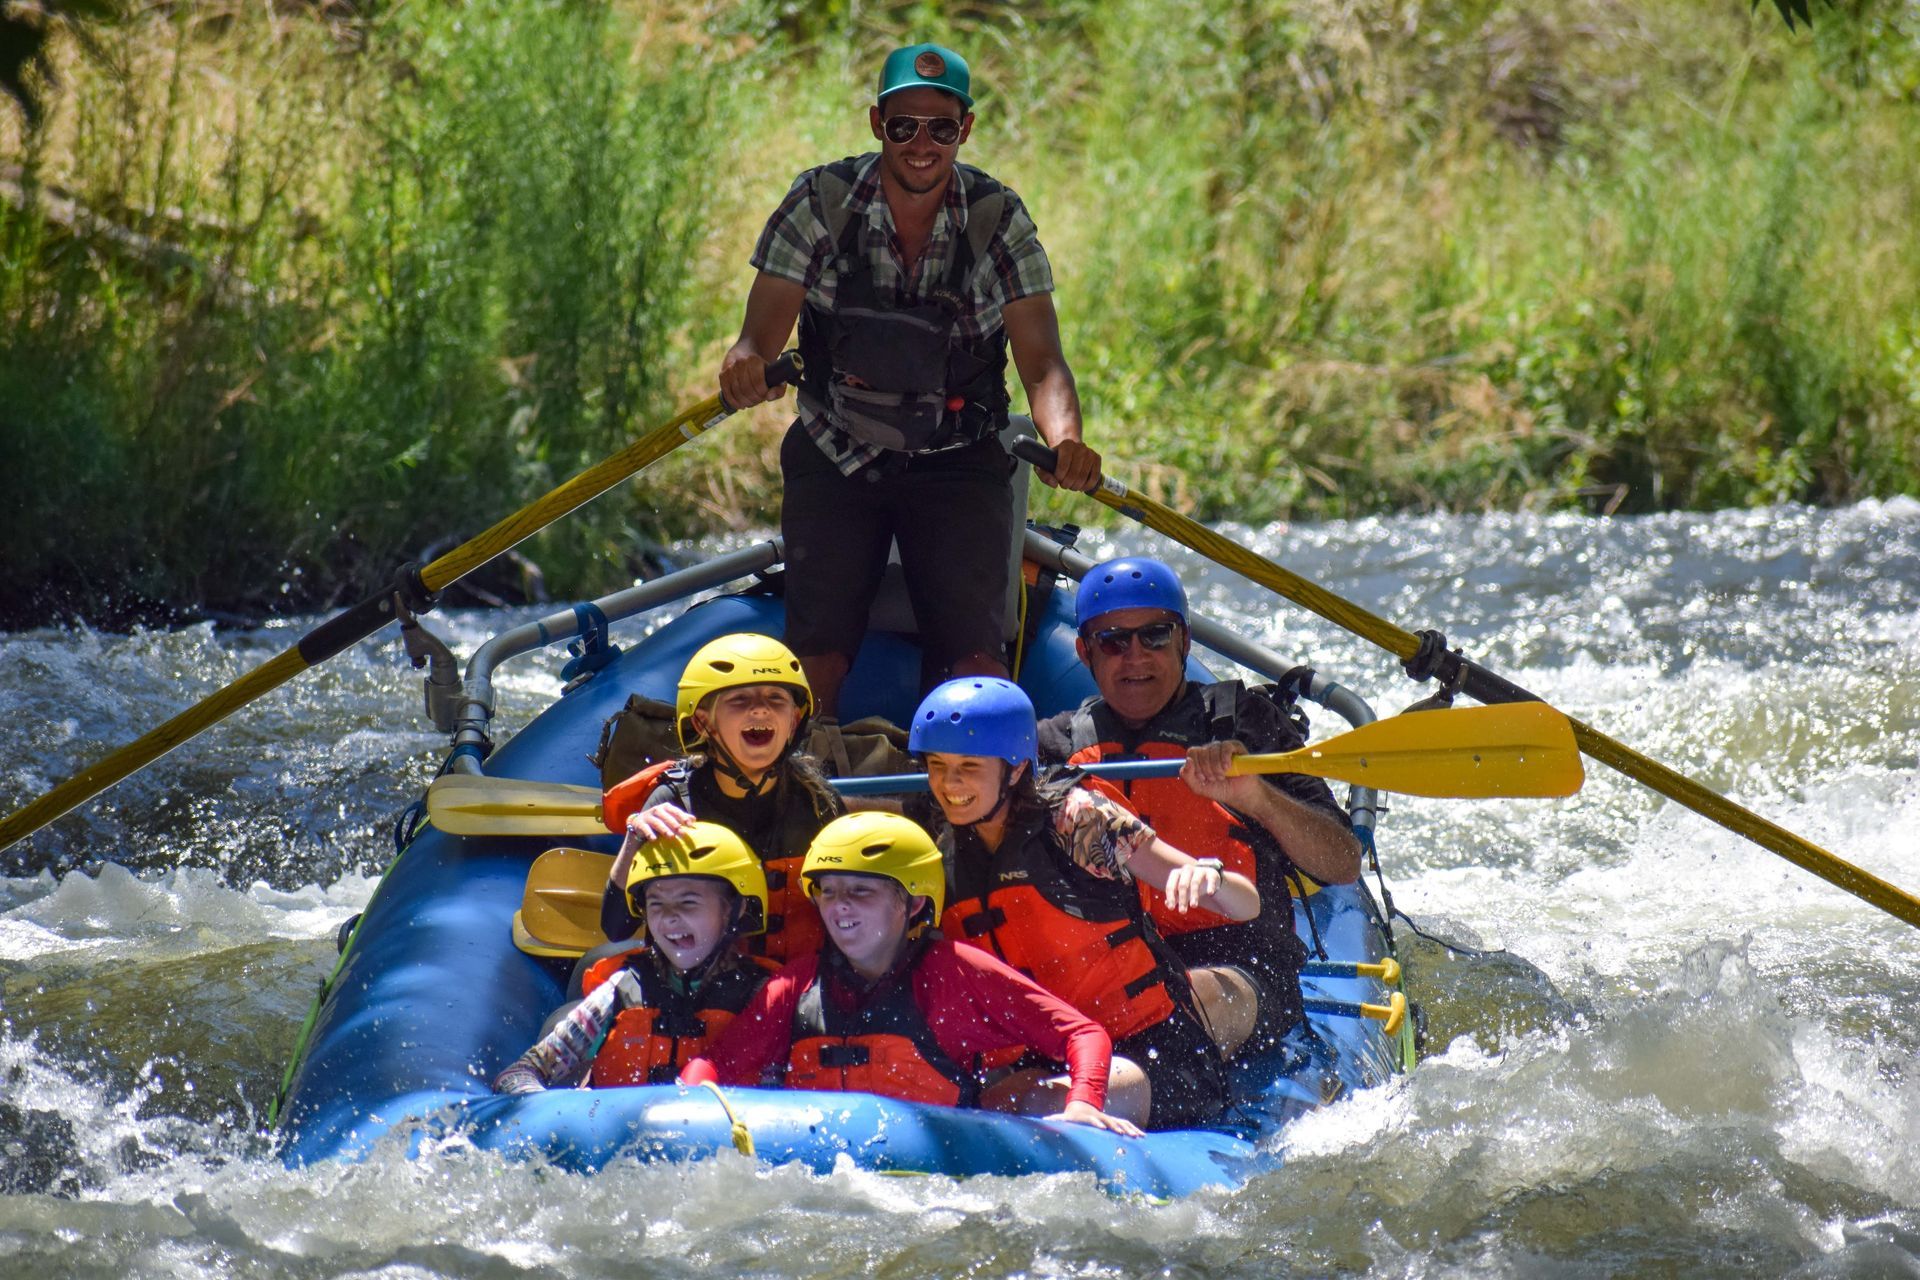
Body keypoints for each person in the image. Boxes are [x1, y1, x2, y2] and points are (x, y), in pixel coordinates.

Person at [715, 41, 1102, 715]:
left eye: (941, 128)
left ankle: (961, 792)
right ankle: (807, 778)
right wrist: (745, 366)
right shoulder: (819, 201)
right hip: (836, 454)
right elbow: (757, 338)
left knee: (974, 661)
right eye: (903, 126)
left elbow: (1042, 362)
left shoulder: (999, 217)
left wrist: (1064, 438)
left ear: (966, 130)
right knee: (819, 651)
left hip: (961, 460)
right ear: (876, 124)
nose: (921, 143)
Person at [1035, 557, 1364, 1050]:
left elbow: (1342, 862)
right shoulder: (1054, 747)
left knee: (1176, 1002)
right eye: (1114, 641)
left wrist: (1259, 797)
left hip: (1240, 965)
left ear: (1184, 642)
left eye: (1156, 636)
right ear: (1084, 652)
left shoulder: (1248, 725)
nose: (1136, 656)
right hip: (1105, 968)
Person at [909, 677, 1262, 1128]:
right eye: (937, 765)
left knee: (1030, 1106)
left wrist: (1207, 876)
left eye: (969, 766)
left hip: (1147, 1048)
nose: (949, 783)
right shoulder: (942, 857)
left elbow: (1245, 905)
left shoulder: (1077, 821)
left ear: (1016, 770)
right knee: (993, 1102)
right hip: (1040, 1055)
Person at [681, 812, 1147, 1134]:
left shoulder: (956, 972)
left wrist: (1083, 1101)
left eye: (861, 891)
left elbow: (1082, 1034)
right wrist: (687, 1099)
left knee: (1130, 1080)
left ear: (916, 902)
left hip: (939, 1168)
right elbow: (719, 1065)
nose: (840, 906)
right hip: (825, 1169)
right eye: (829, 891)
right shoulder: (795, 986)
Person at [599, 633, 843, 962]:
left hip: (795, 991)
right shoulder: (672, 805)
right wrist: (634, 841)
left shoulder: (818, 803)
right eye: (740, 700)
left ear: (793, 721)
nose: (760, 709)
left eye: (776, 699)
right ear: (703, 722)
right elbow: (616, 927)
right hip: (708, 992)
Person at [494, 822, 774, 1093]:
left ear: (734, 910)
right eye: (656, 904)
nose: (669, 917)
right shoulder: (622, 990)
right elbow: (519, 1074)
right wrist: (565, 1110)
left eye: (689, 902)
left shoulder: (763, 997)